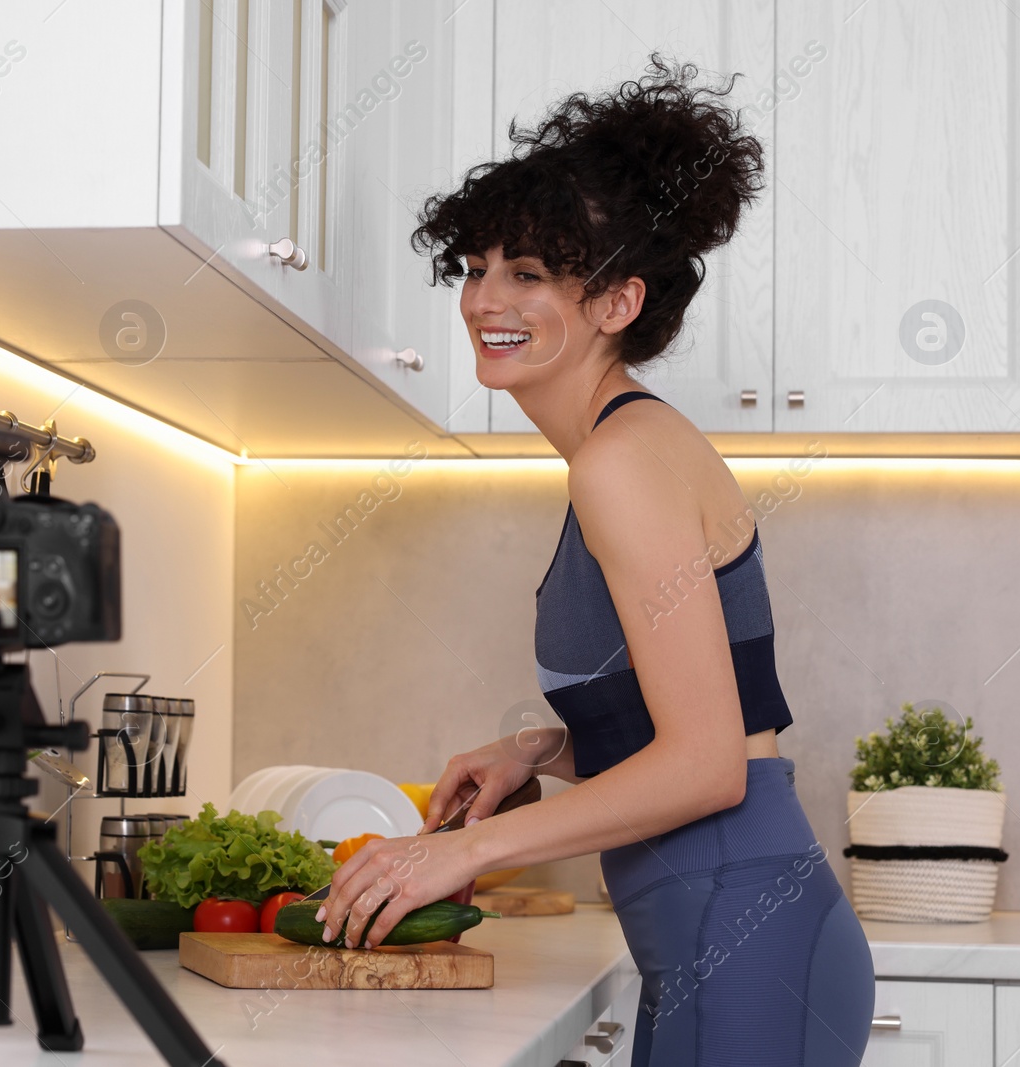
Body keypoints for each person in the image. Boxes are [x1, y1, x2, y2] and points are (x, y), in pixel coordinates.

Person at [314, 54, 876, 1066]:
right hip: (728, 929)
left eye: (528, 273)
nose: (487, 296)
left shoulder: (619, 460)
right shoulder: (622, 451)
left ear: (616, 302)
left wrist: (460, 850)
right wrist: (540, 749)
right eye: (477, 266)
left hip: (739, 936)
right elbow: (718, 721)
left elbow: (708, 766)